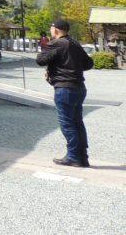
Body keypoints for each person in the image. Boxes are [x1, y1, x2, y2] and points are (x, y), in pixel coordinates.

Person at [35, 18, 93, 167]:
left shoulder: (57, 43)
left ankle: (73, 156)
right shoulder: (74, 43)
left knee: (67, 123)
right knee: (77, 122)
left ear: (55, 29)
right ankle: (83, 157)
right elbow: (89, 63)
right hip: (79, 87)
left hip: (64, 88)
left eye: (51, 28)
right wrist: (72, 67)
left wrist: (49, 51)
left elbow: (40, 60)